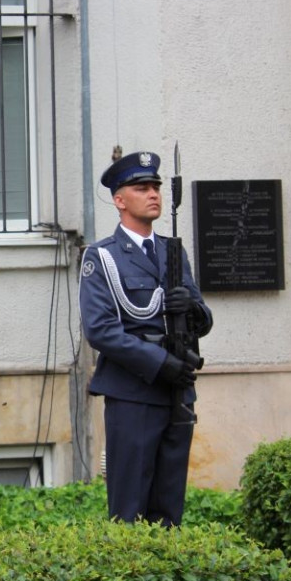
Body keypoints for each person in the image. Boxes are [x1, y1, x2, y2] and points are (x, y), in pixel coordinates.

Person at [79, 150, 212, 527]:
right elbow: (101, 330)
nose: (153, 193)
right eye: (141, 187)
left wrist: (192, 308)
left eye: (155, 186)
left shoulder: (173, 251)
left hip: (178, 393)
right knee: (130, 508)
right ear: (120, 200)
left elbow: (203, 321)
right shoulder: (102, 257)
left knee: (169, 510)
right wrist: (159, 365)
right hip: (134, 393)